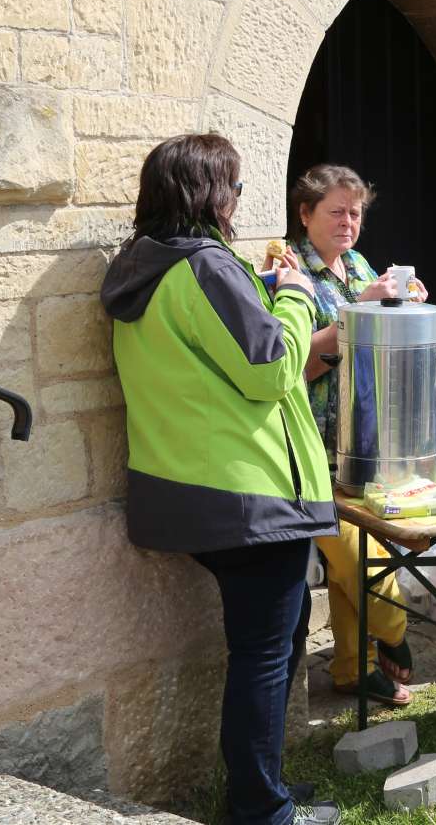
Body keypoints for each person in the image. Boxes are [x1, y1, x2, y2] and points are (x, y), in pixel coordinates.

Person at [100, 134, 339, 825]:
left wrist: (259, 293)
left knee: (273, 644)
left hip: (184, 489)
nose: (238, 200)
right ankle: (261, 811)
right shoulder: (207, 264)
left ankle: (265, 793)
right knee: (265, 656)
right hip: (251, 497)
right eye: (232, 186)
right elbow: (268, 371)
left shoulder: (145, 266)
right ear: (208, 194)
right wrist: (294, 298)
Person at [291, 164, 422, 706]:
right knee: (356, 555)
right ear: (305, 214)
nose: (349, 222)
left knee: (356, 564)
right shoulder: (288, 271)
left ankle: (353, 666)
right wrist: (359, 312)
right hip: (311, 448)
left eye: (356, 212)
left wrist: (404, 304)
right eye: (336, 212)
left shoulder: (358, 266)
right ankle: (394, 628)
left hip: (363, 441)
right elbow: (294, 365)